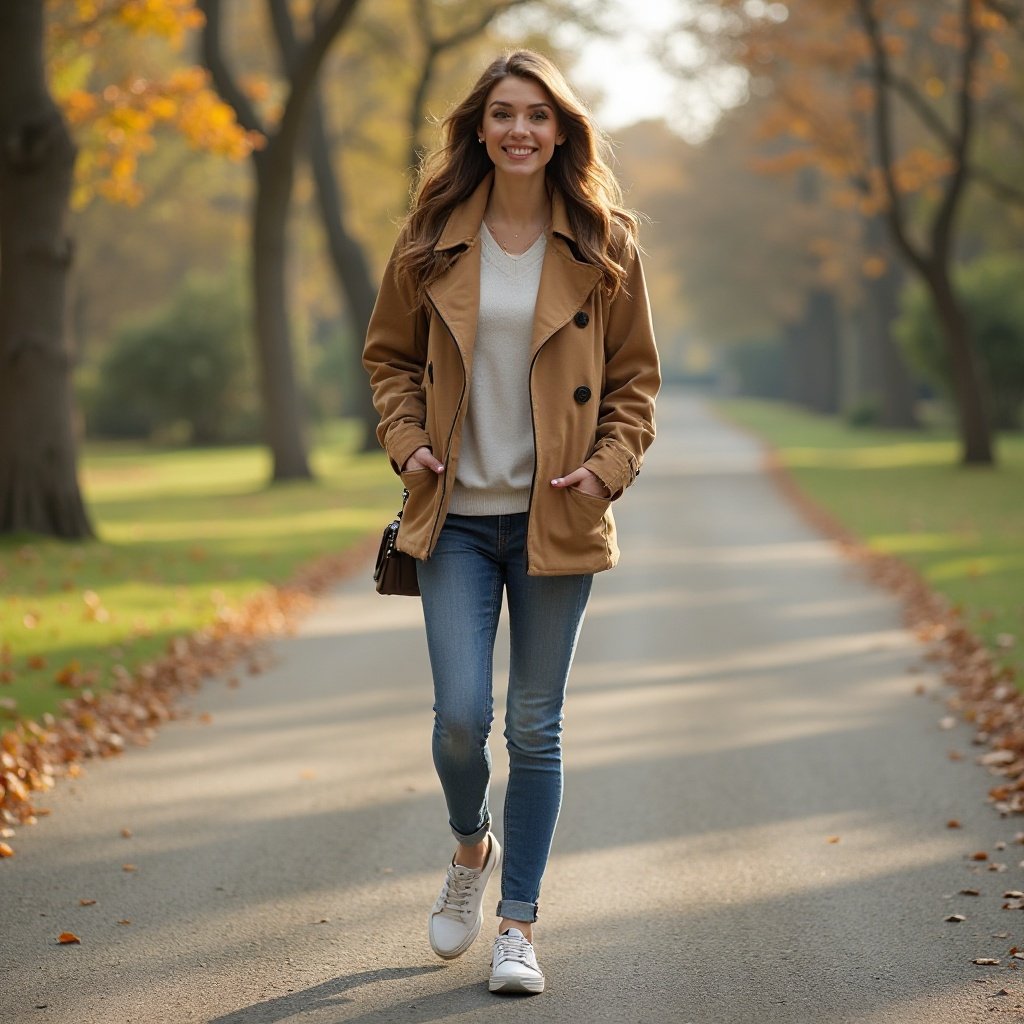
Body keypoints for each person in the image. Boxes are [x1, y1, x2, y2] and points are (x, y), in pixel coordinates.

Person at [362, 49, 660, 996]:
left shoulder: (605, 244)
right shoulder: (429, 238)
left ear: (561, 131)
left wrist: (606, 469)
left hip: (555, 516)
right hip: (452, 516)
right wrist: (407, 440)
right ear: (479, 129)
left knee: (535, 727)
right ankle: (469, 846)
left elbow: (635, 382)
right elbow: (388, 358)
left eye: (537, 114)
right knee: (460, 720)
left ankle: (518, 925)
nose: (519, 129)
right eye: (503, 113)